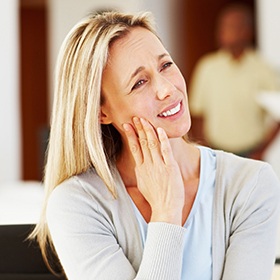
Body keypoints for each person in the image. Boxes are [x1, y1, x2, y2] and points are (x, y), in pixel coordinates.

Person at [30, 11, 280, 279]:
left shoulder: (251, 183)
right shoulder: (77, 203)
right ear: (101, 112)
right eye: (139, 83)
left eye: (166, 66)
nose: (167, 90)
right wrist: (165, 213)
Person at [189, 3, 280, 159]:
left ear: (247, 32)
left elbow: (278, 114)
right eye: (222, 26)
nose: (223, 31)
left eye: (231, 26)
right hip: (217, 154)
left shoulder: (263, 69)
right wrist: (205, 150)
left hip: (252, 155)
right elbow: (198, 115)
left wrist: (261, 151)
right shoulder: (207, 68)